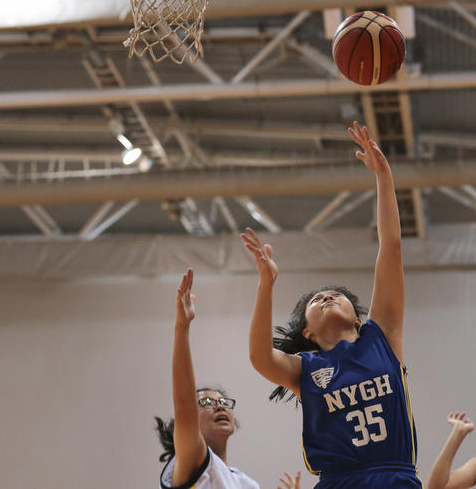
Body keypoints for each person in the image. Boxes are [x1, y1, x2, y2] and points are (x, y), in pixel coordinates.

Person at [240, 122, 422, 489]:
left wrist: (384, 177)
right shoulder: (306, 369)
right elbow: (261, 357)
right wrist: (266, 285)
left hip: (395, 476)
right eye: (315, 300)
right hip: (338, 481)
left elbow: (391, 247)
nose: (325, 297)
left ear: (358, 318)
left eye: (336, 296)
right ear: (307, 331)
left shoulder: (382, 337)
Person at [155, 268, 301, 489]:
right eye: (206, 402)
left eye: (223, 403)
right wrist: (182, 328)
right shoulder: (190, 463)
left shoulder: (247, 483)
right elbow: (184, 403)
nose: (219, 407)